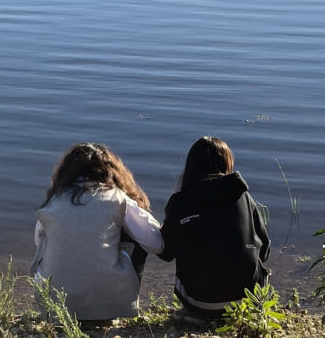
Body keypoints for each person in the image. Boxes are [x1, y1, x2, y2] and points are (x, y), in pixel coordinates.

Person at [30, 142, 163, 321]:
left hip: (54, 305)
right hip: (108, 306)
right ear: (112, 171)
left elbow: (39, 245)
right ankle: (117, 303)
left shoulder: (53, 201)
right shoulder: (117, 199)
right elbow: (156, 244)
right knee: (137, 236)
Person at [158, 136, 270, 321]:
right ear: (227, 163)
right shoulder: (244, 197)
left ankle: (197, 313)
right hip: (247, 300)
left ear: (191, 166)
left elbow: (165, 253)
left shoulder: (180, 201)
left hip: (200, 304)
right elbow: (264, 250)